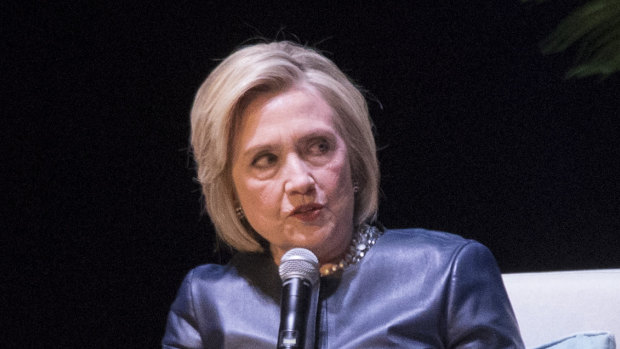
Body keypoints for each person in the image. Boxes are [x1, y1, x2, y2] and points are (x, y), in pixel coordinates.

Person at [162, 41, 524, 348]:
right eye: (265, 159)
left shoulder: (445, 275)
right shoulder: (207, 302)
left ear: (354, 158)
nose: (300, 180)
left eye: (318, 147)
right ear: (230, 189)